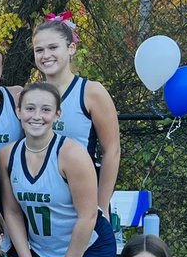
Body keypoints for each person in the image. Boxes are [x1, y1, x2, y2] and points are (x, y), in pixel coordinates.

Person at [0, 81, 116, 257]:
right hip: (40, 250)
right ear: (18, 111)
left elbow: (88, 216)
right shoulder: (7, 155)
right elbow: (12, 212)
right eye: (30, 108)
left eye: (45, 109)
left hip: (86, 248)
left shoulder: (72, 154)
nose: (36, 115)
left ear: (58, 114)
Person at [32, 13, 121, 212]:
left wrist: (101, 205)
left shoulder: (91, 92)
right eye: (39, 50)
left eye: (53, 47)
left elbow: (112, 151)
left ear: (71, 48)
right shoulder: (32, 95)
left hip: (81, 202)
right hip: (41, 205)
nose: (46, 55)